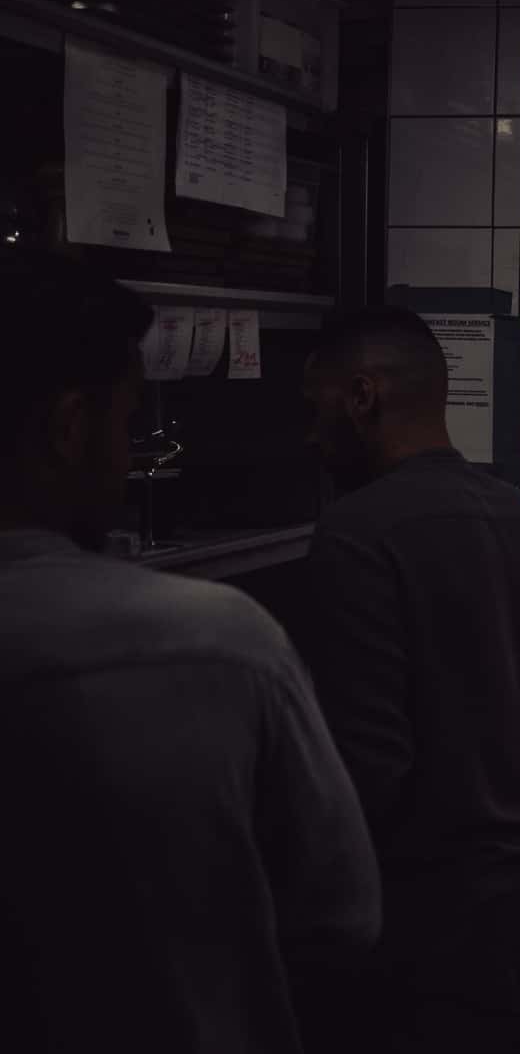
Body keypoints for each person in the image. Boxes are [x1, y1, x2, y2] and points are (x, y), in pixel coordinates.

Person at [0, 251, 378, 1054]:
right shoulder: (221, 644)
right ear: (71, 426)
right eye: (128, 421)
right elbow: (340, 917)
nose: (131, 452)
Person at [286, 307, 520, 1052]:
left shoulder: (357, 534)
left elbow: (367, 769)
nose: (309, 435)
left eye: (314, 409)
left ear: (361, 396)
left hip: (432, 938)